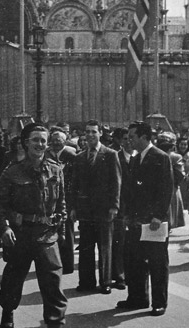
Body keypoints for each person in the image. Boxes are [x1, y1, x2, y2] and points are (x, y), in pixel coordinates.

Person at [0, 123, 68, 328]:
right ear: (26, 143)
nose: (40, 145)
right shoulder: (12, 171)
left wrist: (61, 224)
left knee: (53, 283)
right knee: (13, 277)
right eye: (35, 140)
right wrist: (4, 228)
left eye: (44, 140)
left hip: (46, 235)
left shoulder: (56, 169)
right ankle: (8, 310)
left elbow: (61, 200)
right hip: (21, 235)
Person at [117, 122, 173, 316]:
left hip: (153, 222)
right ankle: (137, 298)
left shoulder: (160, 157)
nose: (129, 140)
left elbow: (166, 189)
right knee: (134, 261)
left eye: (132, 136)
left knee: (157, 263)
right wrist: (126, 215)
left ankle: (159, 302)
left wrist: (158, 215)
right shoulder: (134, 158)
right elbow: (130, 190)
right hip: (135, 220)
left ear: (144, 137)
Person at [71, 120, 121, 294]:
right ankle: (86, 281)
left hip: (104, 209)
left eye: (94, 132)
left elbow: (116, 183)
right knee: (85, 246)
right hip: (85, 210)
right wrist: (74, 208)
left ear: (100, 133)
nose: (90, 135)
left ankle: (105, 281)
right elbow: (75, 185)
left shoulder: (110, 154)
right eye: (87, 132)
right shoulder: (79, 157)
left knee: (105, 247)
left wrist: (114, 206)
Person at [47, 127, 78, 274]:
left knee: (68, 232)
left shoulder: (71, 154)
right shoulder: (47, 154)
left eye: (58, 141)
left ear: (64, 141)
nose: (55, 143)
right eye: (53, 141)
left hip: (68, 198)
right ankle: (54, 263)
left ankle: (67, 265)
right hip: (52, 198)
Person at [111, 127, 136, 290]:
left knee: (133, 244)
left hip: (136, 209)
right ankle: (119, 276)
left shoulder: (140, 158)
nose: (129, 141)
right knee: (119, 243)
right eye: (125, 139)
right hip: (120, 208)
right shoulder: (115, 158)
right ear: (120, 141)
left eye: (131, 138)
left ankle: (132, 274)